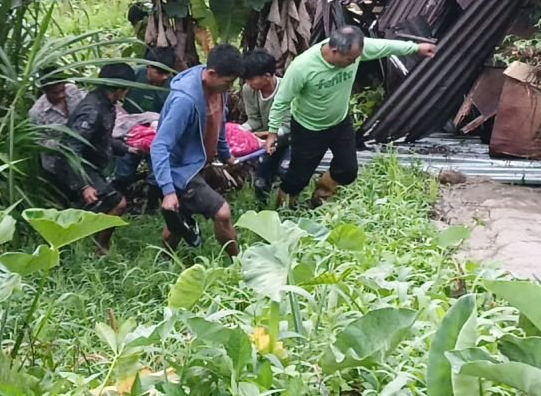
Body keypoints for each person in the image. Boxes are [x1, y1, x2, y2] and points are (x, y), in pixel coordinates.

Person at [265, 25, 437, 207]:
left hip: (340, 122)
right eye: (350, 59)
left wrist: (416, 48)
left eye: (357, 57)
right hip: (308, 128)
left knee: (348, 170)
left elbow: (385, 47)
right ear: (335, 51)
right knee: (298, 176)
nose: (355, 62)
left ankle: (320, 198)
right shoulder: (302, 67)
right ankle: (283, 207)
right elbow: (281, 101)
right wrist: (272, 132)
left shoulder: (355, 50)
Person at [151, 44, 244, 258]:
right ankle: (238, 263)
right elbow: (160, 145)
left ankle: (164, 260)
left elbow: (219, 124)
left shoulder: (219, 90)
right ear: (211, 73)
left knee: (180, 216)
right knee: (222, 213)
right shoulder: (185, 101)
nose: (230, 87)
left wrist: (226, 155)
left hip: (197, 163)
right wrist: (168, 191)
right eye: (228, 82)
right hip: (181, 170)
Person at [58, 64, 140, 255]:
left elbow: (102, 138)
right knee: (118, 204)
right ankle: (100, 249)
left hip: (91, 166)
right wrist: (84, 185)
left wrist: (127, 149)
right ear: (120, 88)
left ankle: (80, 244)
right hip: (78, 167)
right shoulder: (93, 110)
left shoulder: (106, 105)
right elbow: (70, 149)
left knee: (94, 209)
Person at [114, 46, 176, 192]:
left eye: (167, 73)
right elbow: (115, 100)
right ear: (148, 66)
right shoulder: (133, 76)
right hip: (130, 131)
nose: (164, 77)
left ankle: (152, 198)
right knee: (124, 171)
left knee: (158, 173)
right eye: (159, 73)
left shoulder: (173, 85)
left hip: (157, 133)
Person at [241, 49, 291, 201]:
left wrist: (268, 134)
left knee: (286, 173)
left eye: (251, 79)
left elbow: (288, 126)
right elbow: (254, 119)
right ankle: (263, 208)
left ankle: (288, 207)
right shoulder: (248, 90)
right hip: (266, 143)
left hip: (290, 139)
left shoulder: (287, 89)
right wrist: (240, 130)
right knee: (261, 183)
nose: (248, 83)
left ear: (267, 76)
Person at [28, 68, 87, 196]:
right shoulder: (37, 113)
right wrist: (64, 144)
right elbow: (41, 142)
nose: (61, 95)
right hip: (57, 163)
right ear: (45, 91)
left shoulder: (72, 90)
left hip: (83, 156)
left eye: (62, 90)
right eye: (56, 93)